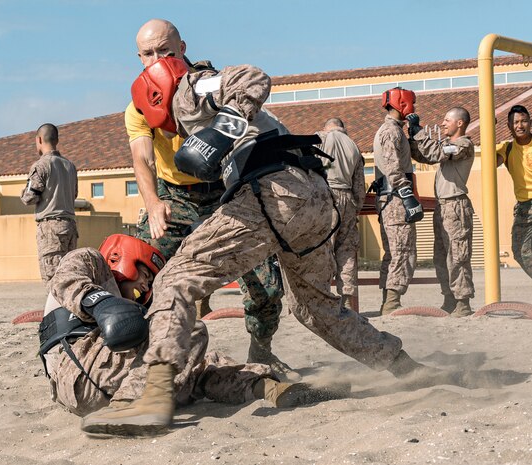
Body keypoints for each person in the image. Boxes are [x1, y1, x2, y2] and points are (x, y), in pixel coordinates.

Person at [80, 58, 451, 436]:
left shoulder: (190, 88)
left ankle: (153, 397)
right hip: (313, 196)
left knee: (173, 280)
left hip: (272, 190)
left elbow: (252, 76)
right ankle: (404, 366)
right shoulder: (202, 97)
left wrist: (222, 129)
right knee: (315, 309)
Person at [126, 19, 288, 372]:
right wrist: (153, 204)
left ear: (182, 49)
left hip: (228, 194)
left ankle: (261, 349)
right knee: (131, 269)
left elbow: (252, 87)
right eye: (149, 53)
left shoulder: (207, 85)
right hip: (176, 198)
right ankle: (139, 358)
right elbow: (141, 157)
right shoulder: (139, 106)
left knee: (268, 288)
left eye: (166, 50)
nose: (158, 59)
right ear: (139, 57)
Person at [38, 234, 345, 418]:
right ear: (122, 257)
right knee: (188, 330)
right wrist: (104, 305)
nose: (145, 284)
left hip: (104, 380)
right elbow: (66, 281)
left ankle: (268, 387)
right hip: (78, 369)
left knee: (196, 366)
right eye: (144, 274)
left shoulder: (130, 305)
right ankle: (129, 406)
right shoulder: (91, 262)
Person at [407, 107, 476, 316]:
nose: (443, 123)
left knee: (458, 256)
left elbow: (436, 153)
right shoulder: (447, 145)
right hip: (442, 206)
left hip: (456, 206)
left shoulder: (464, 144)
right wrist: (412, 139)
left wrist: (420, 132)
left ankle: (462, 303)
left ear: (460, 123)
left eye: (447, 120)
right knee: (441, 256)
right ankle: (449, 299)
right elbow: (425, 156)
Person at [372, 87, 424, 315]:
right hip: (395, 199)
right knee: (402, 250)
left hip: (389, 198)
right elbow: (393, 167)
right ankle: (391, 302)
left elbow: (421, 155)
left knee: (393, 252)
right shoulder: (391, 132)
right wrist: (407, 194)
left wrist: (415, 132)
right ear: (403, 104)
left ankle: (388, 302)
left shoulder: (395, 131)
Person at [21, 123, 78, 285]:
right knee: (69, 276)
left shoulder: (41, 166)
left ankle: (55, 310)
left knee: (53, 279)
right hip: (70, 226)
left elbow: (29, 197)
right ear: (57, 140)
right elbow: (74, 194)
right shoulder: (70, 166)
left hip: (51, 228)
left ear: (39, 139)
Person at [317, 118, 365, 311]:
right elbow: (359, 186)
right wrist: (355, 208)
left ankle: (323, 298)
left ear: (326, 127)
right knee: (347, 252)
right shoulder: (353, 146)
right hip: (347, 199)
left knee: (322, 249)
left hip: (325, 197)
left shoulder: (320, 139)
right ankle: (347, 299)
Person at [496, 105, 532, 278]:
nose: (520, 125)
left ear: (530, 123)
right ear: (509, 126)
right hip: (524, 208)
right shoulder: (507, 149)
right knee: (519, 251)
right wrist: (489, 129)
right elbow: (492, 162)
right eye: (516, 122)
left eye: (524, 121)